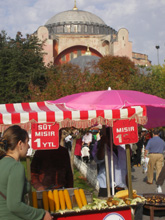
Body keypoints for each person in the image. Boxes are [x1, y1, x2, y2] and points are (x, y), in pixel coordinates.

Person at [0, 125, 52, 220]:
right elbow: (15, 205)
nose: (28, 146)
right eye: (27, 142)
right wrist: (41, 214)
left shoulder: (2, 162)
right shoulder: (16, 167)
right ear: (20, 144)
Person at [94, 128, 127, 197]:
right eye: (111, 136)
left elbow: (125, 170)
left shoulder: (122, 150)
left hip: (121, 188)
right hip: (106, 188)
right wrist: (102, 145)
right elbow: (99, 158)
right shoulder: (102, 149)